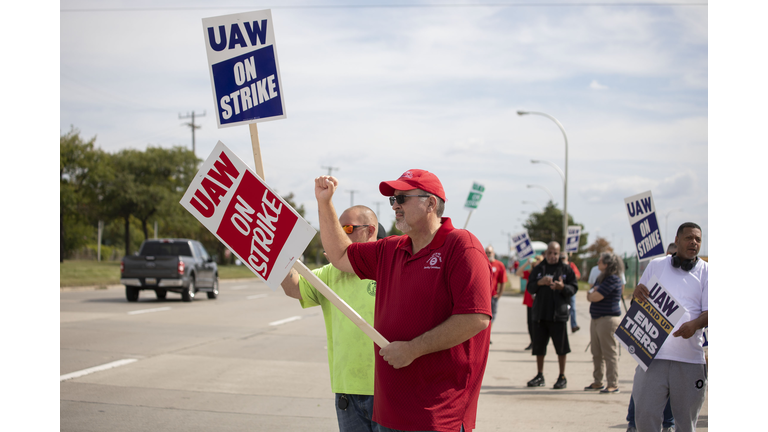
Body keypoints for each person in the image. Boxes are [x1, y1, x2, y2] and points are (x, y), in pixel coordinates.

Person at [314, 169, 492, 432]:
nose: (395, 206)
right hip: (390, 410)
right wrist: (324, 203)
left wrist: (412, 349)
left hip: (437, 414)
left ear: (431, 203)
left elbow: (475, 317)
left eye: (403, 199)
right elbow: (340, 256)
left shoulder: (461, 245)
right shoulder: (391, 249)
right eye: (393, 200)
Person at [280, 205, 381, 432]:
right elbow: (293, 288)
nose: (339, 235)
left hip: (387, 390)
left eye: (347, 229)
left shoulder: (389, 266)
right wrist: (280, 257)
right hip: (347, 390)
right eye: (336, 229)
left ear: (370, 230)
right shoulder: (330, 272)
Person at [631, 222, 708, 432]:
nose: (694, 242)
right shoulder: (656, 265)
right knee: (644, 417)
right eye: (689, 238)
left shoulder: (707, 272)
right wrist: (636, 295)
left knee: (686, 423)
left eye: (698, 239)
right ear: (676, 241)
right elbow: (637, 302)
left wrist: (694, 325)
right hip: (652, 357)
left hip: (689, 360)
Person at [624, 242, 678, 432]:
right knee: (641, 388)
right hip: (652, 344)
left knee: (671, 391)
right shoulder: (656, 270)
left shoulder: (692, 278)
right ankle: (632, 423)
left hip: (678, 348)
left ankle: (668, 424)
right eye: (671, 256)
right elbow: (635, 304)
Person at [526, 241, 578, 390]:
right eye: (549, 253)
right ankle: (539, 375)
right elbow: (530, 287)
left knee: (561, 348)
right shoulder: (539, 268)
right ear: (546, 253)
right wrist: (540, 282)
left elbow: (574, 287)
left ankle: (562, 376)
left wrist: (563, 287)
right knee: (539, 347)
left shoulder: (565, 269)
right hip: (540, 314)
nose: (552, 256)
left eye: (555, 253)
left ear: (559, 253)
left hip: (558, 315)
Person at [584, 252, 624, 394]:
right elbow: (590, 294)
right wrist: (592, 294)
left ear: (607, 264)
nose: (598, 263)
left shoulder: (613, 279)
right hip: (596, 319)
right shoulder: (601, 278)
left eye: (600, 261)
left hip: (607, 320)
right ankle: (597, 381)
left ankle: (613, 384)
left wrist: (592, 294)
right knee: (596, 352)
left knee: (609, 353)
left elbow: (595, 296)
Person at [516, 255, 543, 350]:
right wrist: (527, 263)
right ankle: (532, 342)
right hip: (530, 302)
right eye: (535, 260)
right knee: (530, 323)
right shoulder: (530, 272)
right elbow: (518, 273)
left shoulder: (543, 272)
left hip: (539, 302)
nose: (536, 261)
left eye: (538, 259)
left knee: (539, 323)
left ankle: (539, 342)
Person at [486, 245, 508, 343]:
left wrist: (499, 295)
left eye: (489, 253)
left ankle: (488, 335)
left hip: (493, 296)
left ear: (493, 253)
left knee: (492, 317)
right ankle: (484, 336)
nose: (488, 254)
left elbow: (503, 281)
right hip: (483, 297)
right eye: (486, 252)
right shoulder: (482, 262)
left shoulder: (499, 265)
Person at [560, 252, 582, 333]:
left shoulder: (571, 265)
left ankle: (573, 325)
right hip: (561, 290)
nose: (562, 259)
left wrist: (569, 271)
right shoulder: (558, 266)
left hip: (570, 290)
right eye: (561, 258)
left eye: (564, 257)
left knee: (572, 308)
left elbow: (577, 275)